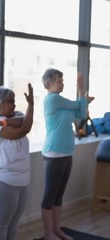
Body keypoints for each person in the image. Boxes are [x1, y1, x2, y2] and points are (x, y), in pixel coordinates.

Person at [40, 68, 94, 240]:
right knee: (50, 194)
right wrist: (82, 93)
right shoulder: (52, 100)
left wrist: (82, 102)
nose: (62, 83)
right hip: (53, 152)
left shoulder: (63, 103)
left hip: (67, 151)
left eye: (63, 80)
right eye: (59, 80)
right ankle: (48, 233)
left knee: (59, 194)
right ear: (49, 84)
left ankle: (56, 229)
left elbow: (80, 114)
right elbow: (77, 106)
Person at [0, 83, 34, 240]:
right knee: (1, 224)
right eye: (10, 101)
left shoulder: (14, 116)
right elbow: (22, 130)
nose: (14, 104)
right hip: (2, 180)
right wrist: (31, 105)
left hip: (22, 179)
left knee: (13, 223)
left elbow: (25, 121)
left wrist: (6, 122)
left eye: (14, 100)